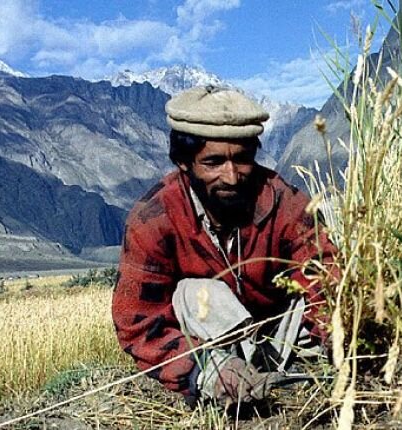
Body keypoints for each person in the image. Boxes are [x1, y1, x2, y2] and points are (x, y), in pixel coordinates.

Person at [111, 86, 337, 407]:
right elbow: (138, 324)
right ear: (184, 162)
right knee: (192, 293)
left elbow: (325, 274)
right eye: (213, 162)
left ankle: (293, 371)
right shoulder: (152, 220)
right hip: (210, 347)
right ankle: (228, 379)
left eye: (242, 160)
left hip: (282, 337)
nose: (231, 177)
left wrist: (337, 338)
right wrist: (204, 370)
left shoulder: (284, 202)